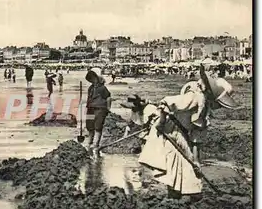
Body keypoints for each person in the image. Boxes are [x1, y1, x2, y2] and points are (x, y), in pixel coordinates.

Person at [136, 65, 239, 199]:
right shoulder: (195, 97)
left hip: (182, 136)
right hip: (171, 132)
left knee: (188, 169)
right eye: (219, 103)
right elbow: (166, 103)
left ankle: (180, 196)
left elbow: (197, 138)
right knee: (174, 166)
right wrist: (161, 123)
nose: (219, 107)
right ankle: (175, 198)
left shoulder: (204, 108)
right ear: (212, 96)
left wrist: (196, 160)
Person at [85, 68, 112, 157]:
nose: (93, 80)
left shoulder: (102, 88)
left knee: (97, 127)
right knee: (89, 126)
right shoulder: (90, 88)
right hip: (90, 109)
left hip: (100, 109)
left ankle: (95, 145)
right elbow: (89, 98)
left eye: (94, 78)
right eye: (91, 79)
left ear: (98, 78)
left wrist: (108, 108)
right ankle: (89, 143)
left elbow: (108, 98)